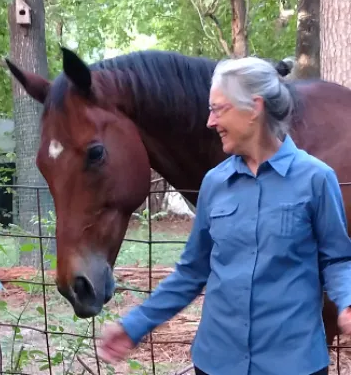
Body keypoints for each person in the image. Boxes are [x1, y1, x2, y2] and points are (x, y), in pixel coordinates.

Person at [97, 57, 351, 375]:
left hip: (295, 363)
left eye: (218, 109)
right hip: (216, 362)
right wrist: (135, 324)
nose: (210, 122)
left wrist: (347, 301)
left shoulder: (316, 178)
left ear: (254, 108)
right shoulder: (215, 183)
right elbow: (191, 272)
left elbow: (337, 259)